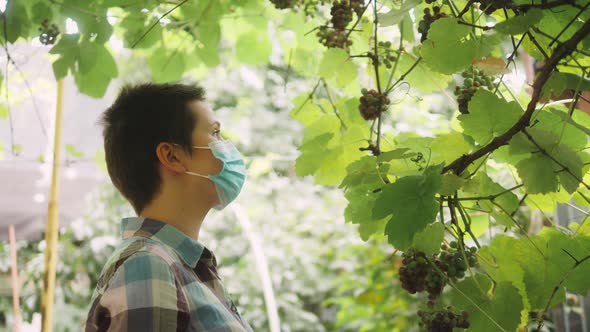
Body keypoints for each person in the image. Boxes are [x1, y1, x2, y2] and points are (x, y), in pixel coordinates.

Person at [84, 82, 253, 332]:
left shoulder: (179, 265)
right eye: (215, 133)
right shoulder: (149, 266)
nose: (228, 146)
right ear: (172, 156)